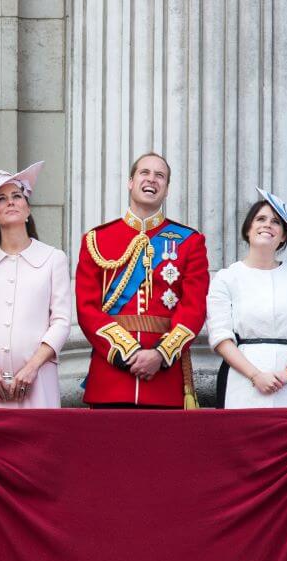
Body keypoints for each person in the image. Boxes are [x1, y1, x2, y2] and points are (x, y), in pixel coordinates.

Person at [75, 153, 209, 408]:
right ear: (130, 182)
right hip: (111, 378)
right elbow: (86, 309)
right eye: (144, 173)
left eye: (160, 176)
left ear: (167, 189)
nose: (152, 179)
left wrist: (160, 354)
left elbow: (193, 308)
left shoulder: (190, 242)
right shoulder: (96, 239)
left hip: (164, 379)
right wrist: (129, 353)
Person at [0, 163, 71, 409]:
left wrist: (32, 367)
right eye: (1, 199)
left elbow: (61, 322)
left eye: (16, 196)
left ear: (27, 209)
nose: (10, 202)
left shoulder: (53, 258)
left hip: (38, 381)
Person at [207, 189, 287, 408]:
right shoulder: (226, 277)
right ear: (248, 229)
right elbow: (221, 336)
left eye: (276, 222)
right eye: (260, 219)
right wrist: (255, 376)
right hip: (243, 380)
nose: (268, 225)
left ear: (284, 235)